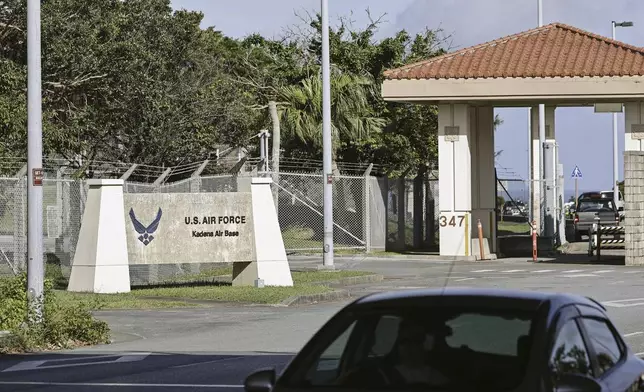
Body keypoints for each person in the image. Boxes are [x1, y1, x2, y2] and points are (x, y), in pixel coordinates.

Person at [387, 318, 449, 385]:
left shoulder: (437, 379)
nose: (407, 346)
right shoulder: (386, 376)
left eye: (416, 341)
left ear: (423, 345)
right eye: (403, 341)